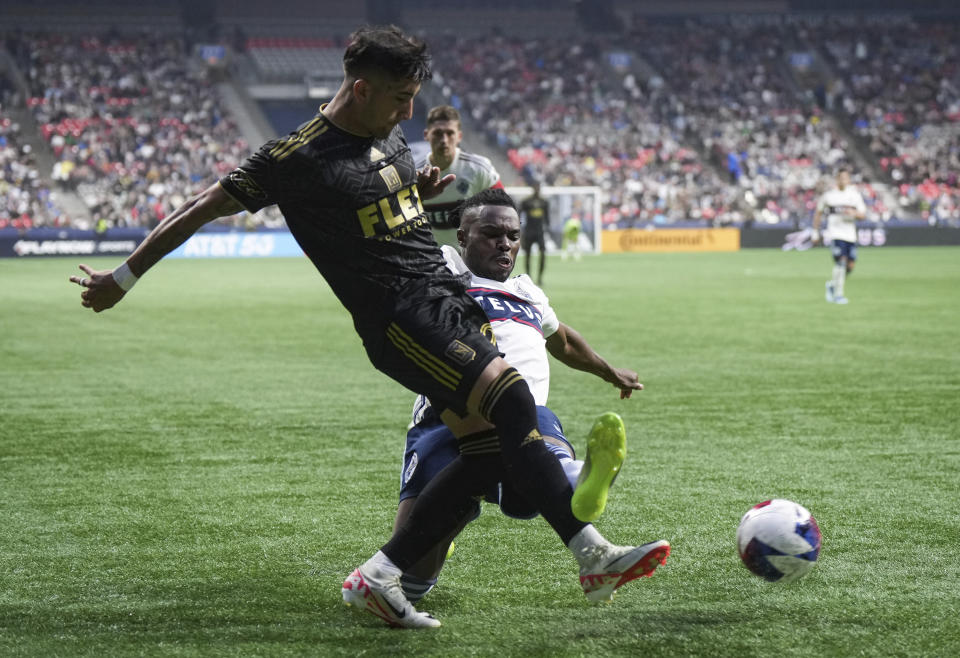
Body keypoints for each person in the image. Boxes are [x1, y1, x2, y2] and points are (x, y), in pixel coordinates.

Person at [68, 26, 666, 630]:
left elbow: (384, 198)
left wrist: (417, 188)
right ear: (359, 88)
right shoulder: (295, 158)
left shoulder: (390, 132)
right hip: (401, 316)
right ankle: (591, 555)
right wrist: (123, 276)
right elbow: (202, 205)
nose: (409, 112)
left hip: (446, 299)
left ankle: (381, 578)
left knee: (487, 454)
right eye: (399, 98)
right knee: (513, 401)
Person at [393, 188, 665, 605]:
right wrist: (412, 202)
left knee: (530, 431)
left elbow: (566, 343)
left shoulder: (527, 291)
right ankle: (556, 485)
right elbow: (398, 246)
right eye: (490, 233)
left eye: (512, 235)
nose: (505, 243)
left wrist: (610, 371)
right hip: (445, 411)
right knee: (411, 578)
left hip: (522, 411)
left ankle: (578, 476)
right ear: (462, 237)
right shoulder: (444, 267)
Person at [415, 105, 502, 247]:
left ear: (459, 136)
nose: (444, 140)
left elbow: (503, 210)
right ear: (426, 135)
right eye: (437, 133)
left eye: (450, 133)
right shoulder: (414, 172)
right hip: (430, 261)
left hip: (471, 261)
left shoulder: (479, 168)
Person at [812, 168, 866, 304]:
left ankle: (832, 285)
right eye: (840, 178)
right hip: (836, 233)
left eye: (845, 178)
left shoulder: (854, 195)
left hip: (850, 235)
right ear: (837, 179)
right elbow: (818, 212)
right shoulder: (829, 196)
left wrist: (853, 213)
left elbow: (863, 215)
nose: (843, 180)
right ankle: (838, 294)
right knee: (841, 261)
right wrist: (815, 232)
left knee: (850, 266)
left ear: (848, 180)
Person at [519, 180, 550, 285]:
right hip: (528, 232)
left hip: (540, 232)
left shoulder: (544, 202)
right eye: (535, 187)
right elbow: (518, 216)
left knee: (543, 254)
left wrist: (548, 231)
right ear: (533, 188)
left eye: (538, 187)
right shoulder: (526, 202)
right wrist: (520, 231)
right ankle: (528, 277)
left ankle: (540, 278)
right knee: (527, 255)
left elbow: (547, 219)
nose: (537, 189)